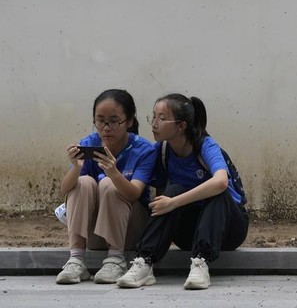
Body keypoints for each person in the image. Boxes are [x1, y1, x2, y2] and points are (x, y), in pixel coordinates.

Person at [116, 94, 248, 290]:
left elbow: (220, 182)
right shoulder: (161, 151)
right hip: (189, 233)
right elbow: (154, 192)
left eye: (161, 118)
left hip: (227, 229)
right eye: (153, 117)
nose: (154, 124)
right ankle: (144, 262)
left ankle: (201, 263)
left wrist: (174, 202)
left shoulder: (205, 145)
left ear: (181, 126)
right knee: (173, 190)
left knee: (216, 192)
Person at [56, 89, 155, 285]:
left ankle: (116, 260)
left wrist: (114, 173)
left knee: (109, 183)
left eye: (113, 121)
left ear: (129, 121)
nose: (106, 127)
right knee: (83, 182)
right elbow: (65, 190)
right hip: (94, 234)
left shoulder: (143, 149)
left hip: (130, 231)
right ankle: (76, 260)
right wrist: (76, 168)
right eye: (100, 120)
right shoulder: (89, 144)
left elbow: (134, 194)